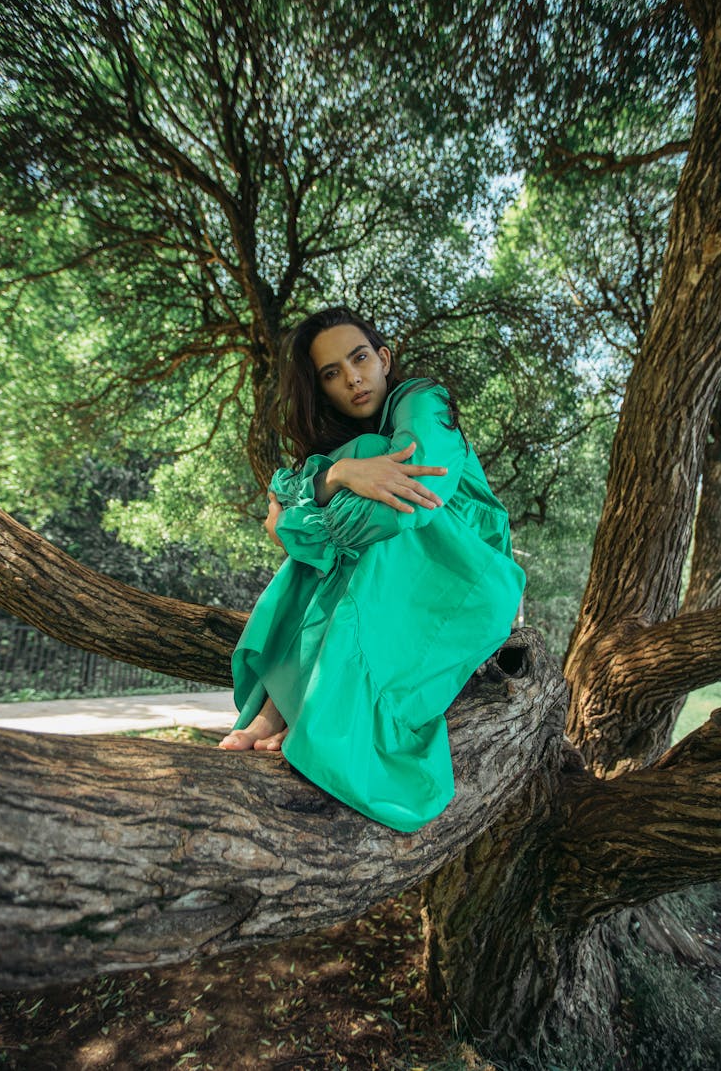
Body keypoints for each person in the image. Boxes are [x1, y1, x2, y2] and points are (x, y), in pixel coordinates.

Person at [219, 306, 526, 832]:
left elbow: (405, 500)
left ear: (384, 360)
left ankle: (307, 707)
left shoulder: (424, 400)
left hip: (467, 581)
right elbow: (281, 494)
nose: (352, 378)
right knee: (360, 466)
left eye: (360, 359)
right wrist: (339, 471)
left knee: (383, 512)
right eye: (331, 374)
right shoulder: (341, 450)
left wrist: (306, 518)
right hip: (402, 577)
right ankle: (292, 702)